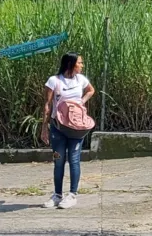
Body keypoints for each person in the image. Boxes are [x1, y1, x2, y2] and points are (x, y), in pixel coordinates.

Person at [40, 53, 95, 210]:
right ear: (71, 64)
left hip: (76, 129)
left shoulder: (81, 80)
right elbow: (47, 105)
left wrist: (81, 103)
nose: (82, 65)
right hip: (58, 129)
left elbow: (91, 90)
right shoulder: (54, 81)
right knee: (58, 160)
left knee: (74, 159)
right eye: (80, 62)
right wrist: (44, 127)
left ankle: (72, 195)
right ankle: (57, 195)